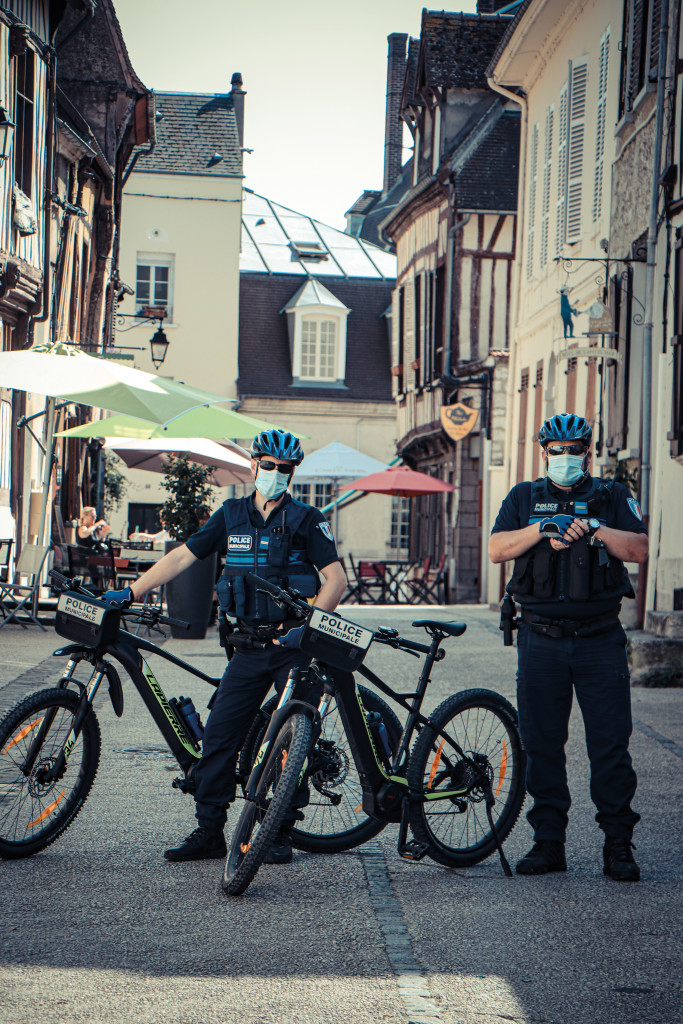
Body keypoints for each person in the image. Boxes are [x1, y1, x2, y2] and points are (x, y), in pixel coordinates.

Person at [103, 429, 347, 864]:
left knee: (291, 740)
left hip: (293, 645)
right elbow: (182, 557)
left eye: (284, 469)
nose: (275, 474)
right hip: (249, 647)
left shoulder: (308, 520)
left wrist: (309, 627)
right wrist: (132, 592)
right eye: (268, 466)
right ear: (254, 465)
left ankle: (279, 831)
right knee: (219, 737)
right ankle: (209, 831)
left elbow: (336, 580)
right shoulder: (231, 514)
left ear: (292, 473)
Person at [489, 413, 648, 882]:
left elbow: (638, 548)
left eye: (572, 450)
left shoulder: (613, 496)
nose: (564, 458)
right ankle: (548, 843)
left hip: (600, 638)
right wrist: (543, 529)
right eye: (555, 451)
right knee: (542, 744)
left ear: (588, 453)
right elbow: (498, 548)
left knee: (610, 745)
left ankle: (618, 844)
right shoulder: (523, 497)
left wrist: (591, 526)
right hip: (540, 639)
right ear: (544, 455)